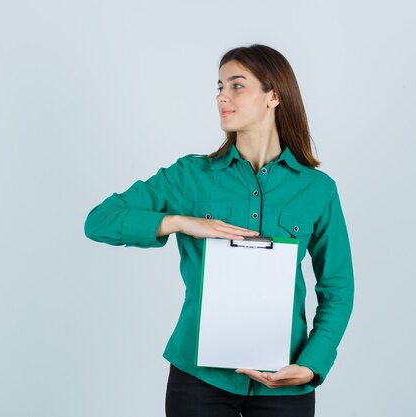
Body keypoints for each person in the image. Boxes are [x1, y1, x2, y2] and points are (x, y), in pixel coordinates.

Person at [84, 44, 354, 417]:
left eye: (237, 85)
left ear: (273, 96)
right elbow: (99, 220)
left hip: (285, 380)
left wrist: (312, 364)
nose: (221, 97)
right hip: (199, 380)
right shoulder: (191, 176)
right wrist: (181, 222)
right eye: (219, 86)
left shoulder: (317, 189)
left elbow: (338, 288)